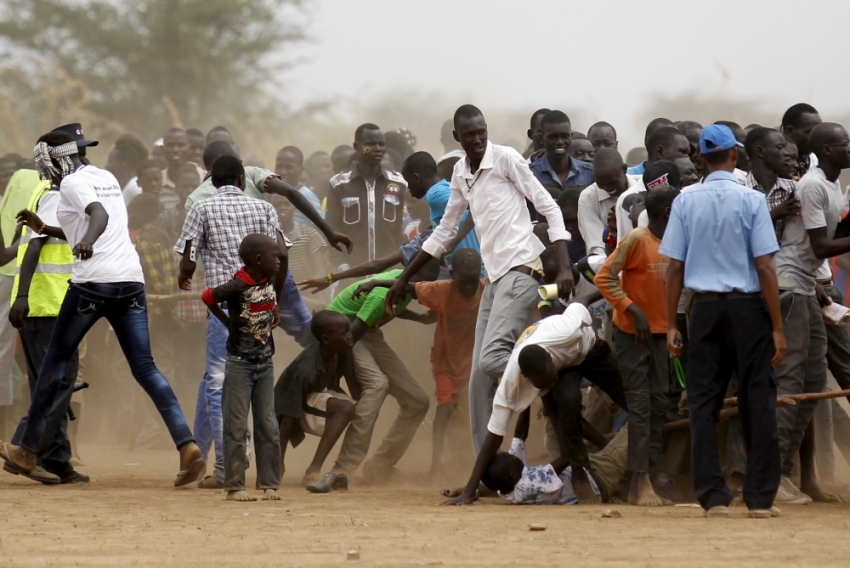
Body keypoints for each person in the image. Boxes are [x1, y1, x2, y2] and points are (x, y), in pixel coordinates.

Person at [0, 130, 205, 487]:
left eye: (44, 163)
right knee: (145, 367)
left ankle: (27, 450)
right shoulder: (106, 178)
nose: (43, 171)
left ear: (56, 159)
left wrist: (86, 244)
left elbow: (97, 217)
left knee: (54, 364)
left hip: (92, 284)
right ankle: (187, 446)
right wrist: (45, 227)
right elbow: (96, 221)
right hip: (130, 282)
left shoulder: (72, 185)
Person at [386, 105, 576, 455]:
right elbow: (444, 232)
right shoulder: (460, 172)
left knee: (491, 360)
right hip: (495, 279)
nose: (476, 139)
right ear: (458, 137)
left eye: (481, 132)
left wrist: (564, 266)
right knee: (477, 380)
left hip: (522, 270)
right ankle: (484, 467)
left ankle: (552, 380)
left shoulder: (506, 160)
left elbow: (549, 207)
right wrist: (403, 278)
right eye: (469, 134)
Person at [661, 123, 785, 519]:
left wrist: (672, 324)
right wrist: (778, 327)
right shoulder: (752, 201)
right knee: (758, 401)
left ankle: (713, 497)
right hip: (749, 309)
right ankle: (760, 498)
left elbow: (674, 269)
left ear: (701, 158)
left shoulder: (684, 201)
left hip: (705, 311)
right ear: (735, 156)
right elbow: (765, 267)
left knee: (702, 402)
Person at [175, 155, 300, 488]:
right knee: (261, 382)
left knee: (220, 384)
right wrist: (272, 296)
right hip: (261, 306)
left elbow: (188, 257)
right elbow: (283, 255)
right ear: (243, 180)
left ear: (211, 181)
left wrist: (184, 276)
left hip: (228, 308)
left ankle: (226, 467)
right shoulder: (264, 209)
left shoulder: (201, 209)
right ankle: (267, 475)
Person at [441, 298, 626, 506]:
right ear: (528, 379)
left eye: (551, 377)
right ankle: (580, 472)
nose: (552, 382)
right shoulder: (512, 384)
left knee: (632, 401)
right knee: (567, 401)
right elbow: (493, 437)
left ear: (551, 358)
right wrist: (469, 489)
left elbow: (579, 303)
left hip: (590, 351)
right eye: (545, 383)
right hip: (567, 369)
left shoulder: (567, 330)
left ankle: (597, 458)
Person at [768, 123, 850, 504]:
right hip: (789, 285)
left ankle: (790, 473)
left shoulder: (831, 184)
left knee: (814, 382)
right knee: (791, 380)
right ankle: (775, 476)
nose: (849, 149)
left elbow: (836, 229)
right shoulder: (814, 185)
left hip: (806, 288)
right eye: (844, 145)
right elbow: (819, 247)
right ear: (827, 150)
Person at [353, 249, 484, 477]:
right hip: (446, 362)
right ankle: (435, 466)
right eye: (464, 281)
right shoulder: (441, 290)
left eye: (474, 280)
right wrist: (374, 283)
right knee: (444, 412)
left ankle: (473, 460)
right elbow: (406, 287)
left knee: (474, 411)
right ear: (452, 275)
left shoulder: (486, 291)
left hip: (475, 363)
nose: (470, 286)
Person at [595, 185, 679, 507]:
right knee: (640, 405)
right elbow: (605, 277)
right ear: (668, 213)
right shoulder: (637, 239)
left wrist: (672, 327)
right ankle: (639, 481)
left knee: (660, 403)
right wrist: (632, 309)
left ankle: (645, 479)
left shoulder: (676, 244)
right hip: (632, 334)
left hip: (661, 335)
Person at [2, 166, 84, 485]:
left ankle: (57, 459)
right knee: (60, 382)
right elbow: (34, 246)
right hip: (48, 304)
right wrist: (22, 295)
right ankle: (23, 446)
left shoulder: (41, 193)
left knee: (48, 384)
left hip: (46, 303)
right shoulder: (54, 196)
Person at [326, 259, 440, 481]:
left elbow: (394, 303)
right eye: (422, 286)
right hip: (343, 333)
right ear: (411, 279)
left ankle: (379, 466)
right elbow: (349, 341)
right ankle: (344, 468)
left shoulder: (404, 280)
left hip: (368, 330)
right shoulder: (380, 295)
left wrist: (418, 318)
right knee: (377, 385)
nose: (424, 291)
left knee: (418, 401)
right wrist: (351, 383)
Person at [201, 233, 281, 502]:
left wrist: (275, 310)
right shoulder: (236, 286)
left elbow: (270, 299)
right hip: (239, 364)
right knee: (236, 424)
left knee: (267, 424)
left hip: (265, 362)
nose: (279, 260)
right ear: (258, 260)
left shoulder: (268, 278)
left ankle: (270, 484)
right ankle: (235, 486)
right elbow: (208, 296)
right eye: (274, 256)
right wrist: (228, 323)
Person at [275, 310, 360, 493]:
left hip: (316, 395)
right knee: (345, 408)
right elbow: (287, 413)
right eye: (344, 332)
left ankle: (337, 465)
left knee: (356, 407)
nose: (349, 335)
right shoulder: (306, 370)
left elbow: (353, 384)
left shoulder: (342, 349)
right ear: (326, 339)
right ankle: (313, 468)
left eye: (349, 330)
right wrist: (278, 461)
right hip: (291, 406)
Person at [481, 408, 628, 505]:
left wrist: (526, 402)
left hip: (577, 469)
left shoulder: (506, 488)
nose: (515, 456)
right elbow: (566, 456)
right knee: (633, 430)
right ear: (512, 475)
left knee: (550, 438)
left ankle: (612, 444)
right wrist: (553, 412)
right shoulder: (530, 484)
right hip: (599, 478)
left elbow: (520, 435)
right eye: (512, 458)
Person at [327, 124, 407, 267]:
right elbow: (333, 228)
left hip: (388, 271)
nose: (377, 148)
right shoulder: (338, 184)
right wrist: (341, 265)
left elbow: (397, 230)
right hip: (351, 270)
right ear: (357, 146)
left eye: (381, 144)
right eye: (370, 144)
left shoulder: (398, 183)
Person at [402, 151, 480, 266]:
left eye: (408, 182)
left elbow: (477, 205)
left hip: (468, 270)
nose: (408, 188)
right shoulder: (447, 187)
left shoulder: (434, 195)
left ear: (416, 178)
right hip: (474, 265)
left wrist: (453, 243)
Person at [615, 127, 690, 242]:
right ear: (660, 152)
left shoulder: (688, 195)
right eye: (683, 152)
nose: (687, 158)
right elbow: (626, 251)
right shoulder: (629, 199)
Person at [577, 148, 642, 256]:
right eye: (601, 184)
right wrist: (611, 233)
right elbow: (597, 249)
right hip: (609, 261)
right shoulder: (588, 197)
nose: (608, 188)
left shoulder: (642, 188)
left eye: (613, 182)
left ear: (625, 169)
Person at [530, 111, 594, 190]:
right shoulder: (530, 174)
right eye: (553, 137)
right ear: (541, 138)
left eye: (565, 136)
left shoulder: (589, 173)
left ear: (571, 137)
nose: (560, 142)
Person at [275, 146, 324, 227]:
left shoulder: (306, 195)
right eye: (279, 167)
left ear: (301, 170)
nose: (283, 172)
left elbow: (321, 226)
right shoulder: (273, 193)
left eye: (289, 167)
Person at [160, 128, 206, 211]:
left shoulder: (207, 179)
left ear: (189, 148)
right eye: (170, 145)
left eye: (181, 145)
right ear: (162, 149)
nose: (175, 150)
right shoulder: (155, 182)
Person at [104, 135, 148, 206]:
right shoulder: (126, 187)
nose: (106, 166)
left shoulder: (135, 188)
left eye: (109, 161)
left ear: (121, 165)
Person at [781, 104, 822, 176]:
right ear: (790, 131)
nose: (816, 138)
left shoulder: (818, 163)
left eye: (818, 132)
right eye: (810, 132)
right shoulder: (770, 165)